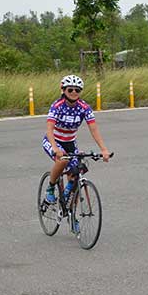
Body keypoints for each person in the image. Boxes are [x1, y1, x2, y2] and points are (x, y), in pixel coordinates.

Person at [42, 75, 111, 209]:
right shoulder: (57, 106)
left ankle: (72, 214)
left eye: (77, 90)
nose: (74, 92)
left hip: (70, 143)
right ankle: (50, 188)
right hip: (53, 140)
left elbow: (94, 129)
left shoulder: (84, 107)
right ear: (63, 90)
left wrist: (104, 149)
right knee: (63, 160)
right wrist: (56, 149)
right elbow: (49, 129)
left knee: (78, 171)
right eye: (70, 90)